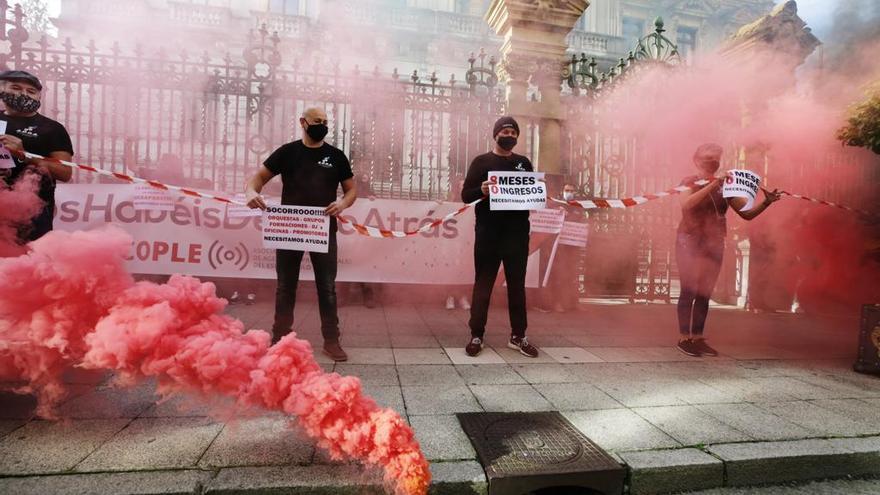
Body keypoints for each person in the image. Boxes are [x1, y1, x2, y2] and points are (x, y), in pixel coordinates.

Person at [245, 107, 356, 361]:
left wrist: (342, 203)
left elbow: (352, 190)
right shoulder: (288, 152)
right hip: (289, 229)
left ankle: (331, 340)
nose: (323, 125)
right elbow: (257, 179)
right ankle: (280, 337)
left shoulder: (336, 156)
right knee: (286, 286)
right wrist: (251, 192)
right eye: (318, 121)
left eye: (326, 122)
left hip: (322, 229)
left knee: (327, 287)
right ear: (303, 122)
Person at [676, 143, 780, 357]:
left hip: (713, 242)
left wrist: (766, 203)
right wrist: (711, 186)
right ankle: (684, 338)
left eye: (716, 157)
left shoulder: (726, 185)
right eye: (707, 157)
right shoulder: (689, 181)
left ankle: (697, 337)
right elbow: (687, 204)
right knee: (689, 290)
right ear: (696, 160)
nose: (712, 161)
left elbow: (746, 213)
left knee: (705, 292)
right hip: (689, 240)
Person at [461, 116, 539, 358]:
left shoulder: (524, 163)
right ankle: (476, 334)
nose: (510, 136)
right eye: (505, 132)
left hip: (516, 235)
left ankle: (518, 336)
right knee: (483, 284)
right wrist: (480, 191)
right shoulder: (481, 162)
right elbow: (466, 195)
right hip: (489, 233)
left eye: (514, 133)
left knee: (517, 286)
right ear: (495, 135)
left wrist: (537, 192)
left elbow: (531, 193)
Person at [0, 70, 73, 244]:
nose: (23, 94)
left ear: (39, 97)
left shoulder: (52, 129)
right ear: (2, 90)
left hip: (34, 212)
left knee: (29, 263)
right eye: (16, 88)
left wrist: (25, 155)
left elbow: (65, 173)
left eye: (31, 91)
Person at [546, 182, 588, 313]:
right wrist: (557, 212)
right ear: (562, 190)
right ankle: (557, 303)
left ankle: (573, 303)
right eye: (567, 190)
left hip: (573, 246)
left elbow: (581, 221)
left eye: (571, 190)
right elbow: (547, 215)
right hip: (559, 247)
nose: (569, 192)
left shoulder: (578, 206)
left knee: (573, 274)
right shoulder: (556, 203)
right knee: (559, 274)